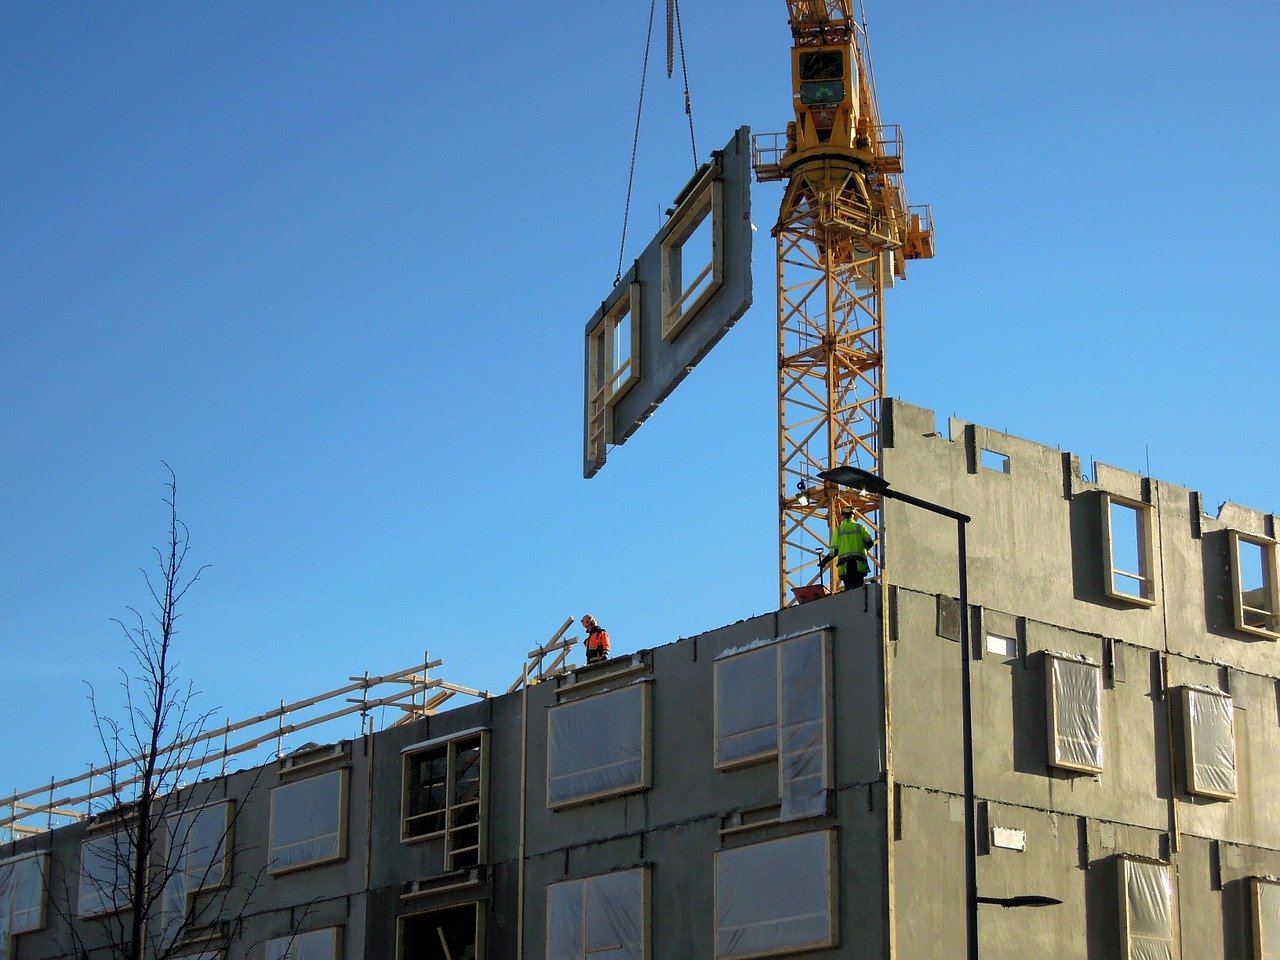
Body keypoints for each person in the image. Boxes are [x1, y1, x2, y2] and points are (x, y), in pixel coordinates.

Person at [823, 506, 875, 591]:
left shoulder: (838, 530)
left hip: (845, 565)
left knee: (849, 591)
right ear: (853, 515)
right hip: (859, 564)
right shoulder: (861, 527)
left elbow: (834, 551)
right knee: (860, 591)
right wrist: (862, 548)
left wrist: (824, 561)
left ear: (842, 516)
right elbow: (870, 543)